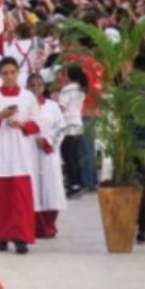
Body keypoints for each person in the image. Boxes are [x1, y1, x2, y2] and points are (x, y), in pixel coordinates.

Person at [0, 56, 41, 254]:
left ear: (18, 74)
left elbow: (39, 122)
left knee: (20, 200)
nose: (9, 76)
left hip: (21, 154)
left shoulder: (27, 97)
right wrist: (0, 117)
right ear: (0, 75)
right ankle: (3, 236)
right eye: (5, 73)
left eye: (13, 72)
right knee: (2, 200)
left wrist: (22, 125)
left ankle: (21, 238)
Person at [28, 73, 66, 239]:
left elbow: (61, 127)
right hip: (30, 154)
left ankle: (49, 224)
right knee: (33, 188)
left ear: (44, 87)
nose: (36, 89)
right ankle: (34, 225)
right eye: (32, 85)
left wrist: (48, 140)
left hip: (48, 154)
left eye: (39, 85)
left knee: (51, 188)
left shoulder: (52, 106)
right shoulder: (24, 106)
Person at [58, 65, 88, 198]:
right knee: (74, 155)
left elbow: (62, 108)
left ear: (68, 75)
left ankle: (73, 184)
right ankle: (77, 183)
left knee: (67, 155)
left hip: (68, 124)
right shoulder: (81, 89)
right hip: (78, 123)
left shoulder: (66, 90)